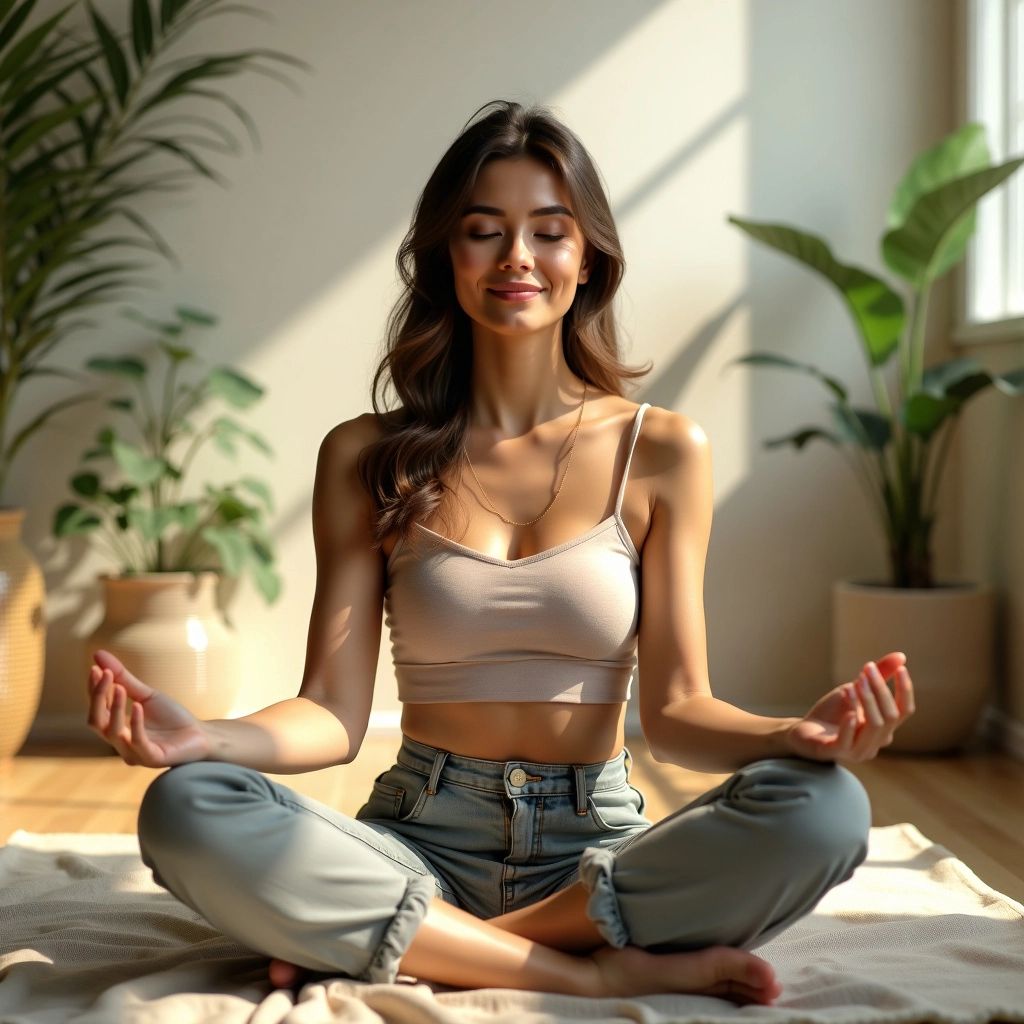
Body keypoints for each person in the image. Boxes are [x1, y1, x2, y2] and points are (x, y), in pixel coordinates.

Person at [85, 99, 916, 1007]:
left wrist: (791, 735)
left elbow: (676, 712)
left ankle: (419, 944)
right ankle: (581, 969)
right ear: (449, 257)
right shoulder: (364, 456)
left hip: (596, 852)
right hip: (416, 840)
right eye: (485, 231)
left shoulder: (665, 450)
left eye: (549, 232)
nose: (518, 256)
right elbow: (331, 713)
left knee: (826, 808)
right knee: (188, 805)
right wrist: (207, 737)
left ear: (587, 256)